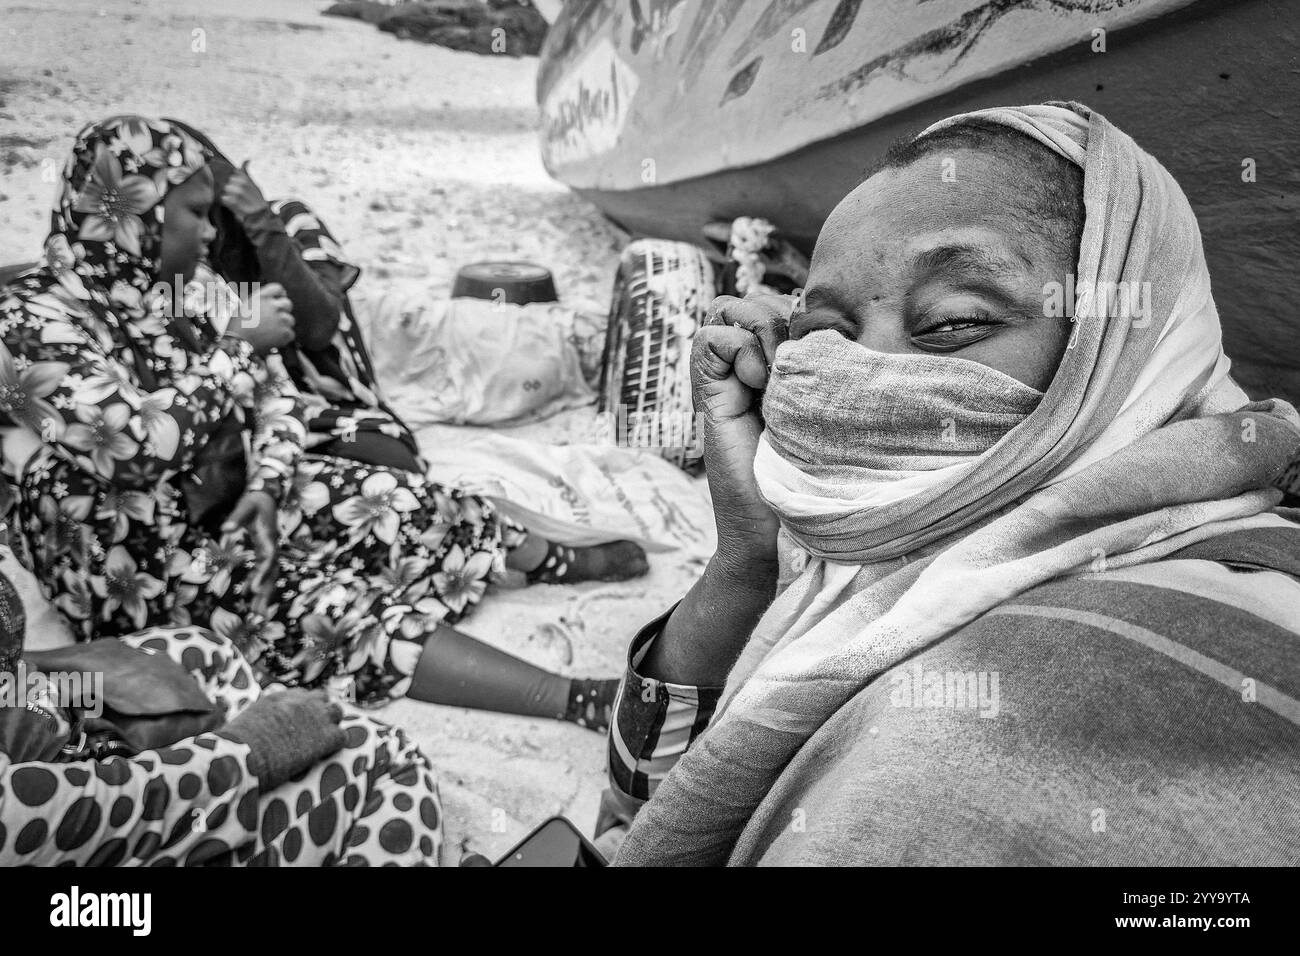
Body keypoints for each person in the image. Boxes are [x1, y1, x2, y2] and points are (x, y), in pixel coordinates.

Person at [599, 102, 1300, 865]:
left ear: (1127, 341)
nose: (872, 373)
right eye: (822, 334)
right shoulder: (886, 544)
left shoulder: (960, 749)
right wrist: (744, 554)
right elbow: (645, 795)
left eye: (953, 324)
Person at [0, 115, 628, 729]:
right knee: (327, 612)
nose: (210, 234)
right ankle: (575, 700)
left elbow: (280, 399)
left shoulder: (188, 290)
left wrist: (267, 486)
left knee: (401, 502)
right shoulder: (31, 318)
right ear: (135, 214)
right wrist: (240, 349)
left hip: (231, 500)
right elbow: (131, 448)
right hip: (125, 565)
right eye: (194, 213)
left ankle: (550, 564)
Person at [0, 568, 444, 866]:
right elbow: (49, 816)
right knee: (373, 747)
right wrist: (246, 753)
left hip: (36, 721)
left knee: (204, 654)